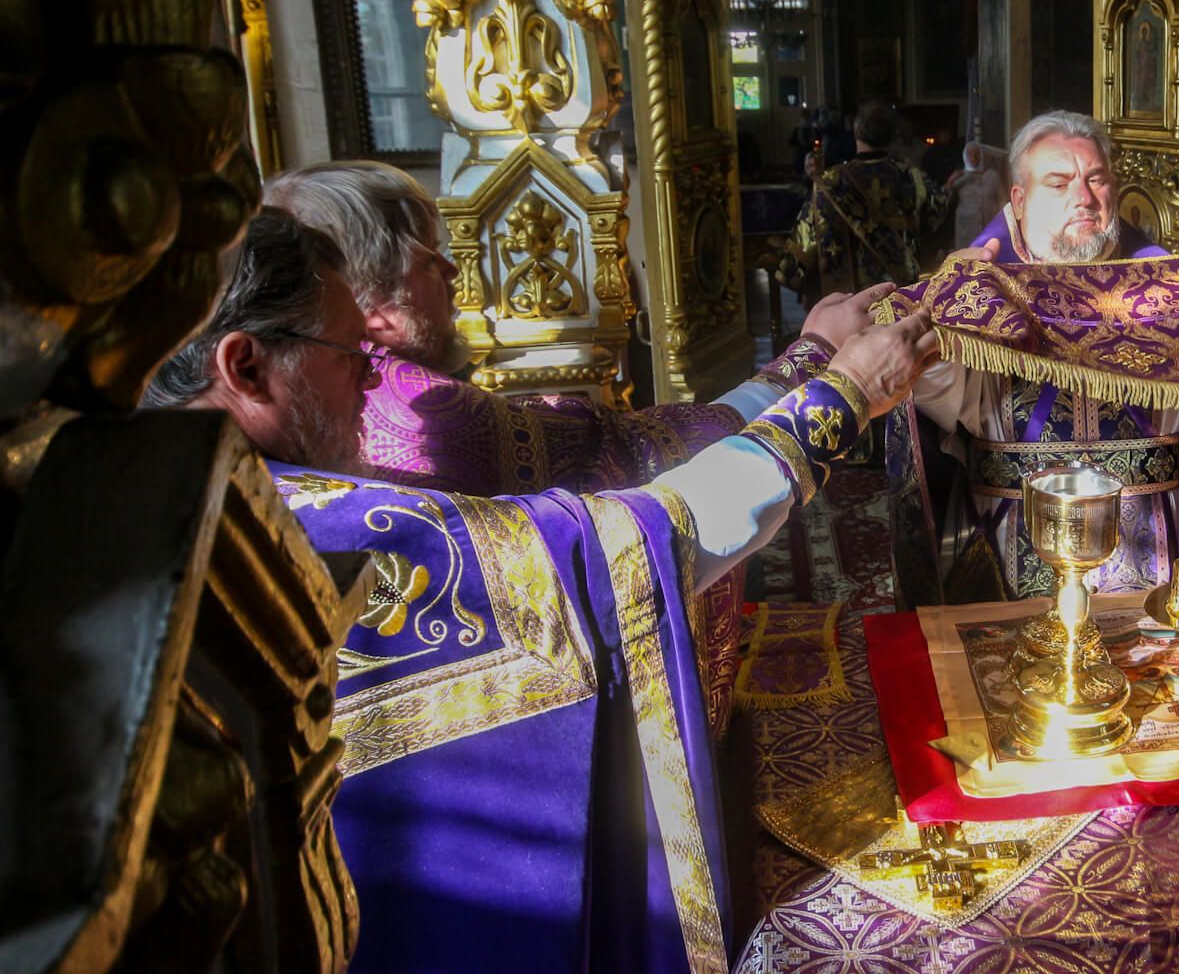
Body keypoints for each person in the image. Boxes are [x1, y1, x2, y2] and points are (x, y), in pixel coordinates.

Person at [142, 208, 940, 972]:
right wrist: (839, 397)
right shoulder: (312, 530)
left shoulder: (157, 496)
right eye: (349, 352)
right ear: (246, 366)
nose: (372, 375)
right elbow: (620, 554)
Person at [265, 160, 887, 498]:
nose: (454, 271)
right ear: (373, 300)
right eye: (429, 259)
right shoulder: (419, 416)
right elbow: (636, 461)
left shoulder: (368, 393)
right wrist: (812, 355)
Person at [899, 110, 1179, 601]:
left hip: (1152, 568)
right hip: (1013, 561)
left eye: (1096, 179)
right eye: (1058, 183)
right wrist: (940, 307)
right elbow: (929, 392)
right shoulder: (984, 296)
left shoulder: (1170, 297)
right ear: (1019, 201)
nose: (1083, 198)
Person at [775, 99, 948, 297]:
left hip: (846, 303)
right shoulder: (913, 178)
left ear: (855, 131)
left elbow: (797, 260)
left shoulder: (830, 183)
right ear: (893, 135)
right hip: (902, 299)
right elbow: (938, 222)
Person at [945, 140, 1009, 249]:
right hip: (966, 230)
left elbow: (1003, 201)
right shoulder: (959, 177)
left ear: (982, 155)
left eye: (977, 153)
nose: (974, 157)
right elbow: (947, 201)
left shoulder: (992, 176)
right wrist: (950, 181)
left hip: (989, 229)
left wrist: (1002, 223)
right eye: (970, 154)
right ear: (965, 156)